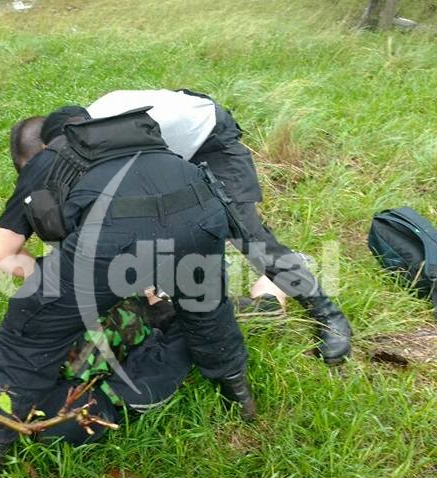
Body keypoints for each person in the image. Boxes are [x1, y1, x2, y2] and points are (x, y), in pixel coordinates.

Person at [0, 109, 257, 478]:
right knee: (207, 311)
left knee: (27, 337)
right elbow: (156, 218)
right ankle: (238, 394)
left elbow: (1, 255)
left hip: (111, 241)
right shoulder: (147, 144)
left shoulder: (47, 160)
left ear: (46, 145)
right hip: (201, 211)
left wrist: (51, 279)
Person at [37, 90, 352, 365]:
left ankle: (328, 316)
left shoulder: (113, 126)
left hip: (209, 137)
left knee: (244, 231)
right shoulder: (91, 139)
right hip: (167, 151)